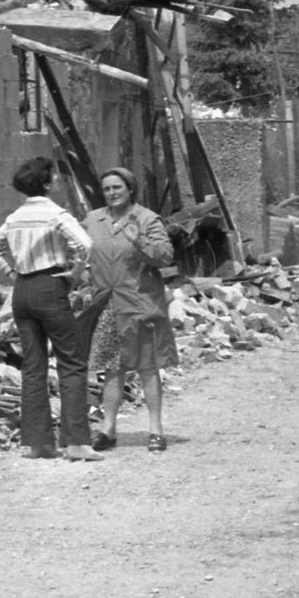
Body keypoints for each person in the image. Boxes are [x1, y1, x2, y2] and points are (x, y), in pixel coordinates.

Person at [0, 156, 100, 461]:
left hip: (22, 290)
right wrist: (77, 271)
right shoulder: (55, 213)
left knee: (33, 367)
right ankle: (76, 441)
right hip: (50, 286)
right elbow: (85, 244)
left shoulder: (14, 217)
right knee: (72, 361)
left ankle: (38, 443)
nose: (59, 181)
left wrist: (11, 273)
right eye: (55, 177)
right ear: (47, 183)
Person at [80, 166, 178, 452]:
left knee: (148, 368)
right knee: (112, 370)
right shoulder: (93, 220)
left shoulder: (147, 219)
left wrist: (140, 240)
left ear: (130, 189)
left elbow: (165, 257)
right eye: (107, 188)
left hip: (140, 304)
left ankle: (156, 431)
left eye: (117, 188)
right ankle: (108, 430)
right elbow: (80, 252)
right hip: (107, 304)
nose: (111, 193)